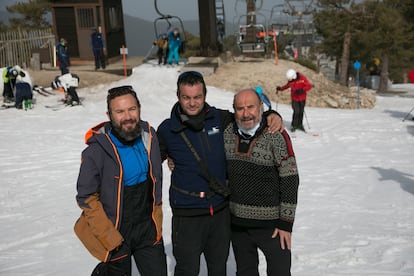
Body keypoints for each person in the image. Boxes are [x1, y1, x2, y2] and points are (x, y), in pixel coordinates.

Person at [157, 71, 283, 276]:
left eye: (197, 97)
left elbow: (247, 117)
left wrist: (271, 115)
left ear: (205, 95)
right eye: (186, 97)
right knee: (187, 270)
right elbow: (148, 163)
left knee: (218, 269)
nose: (192, 103)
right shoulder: (167, 130)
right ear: (178, 96)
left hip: (220, 212)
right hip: (187, 216)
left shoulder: (220, 118)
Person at [74, 85, 167, 276]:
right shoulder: (96, 151)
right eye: (120, 111)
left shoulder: (149, 136)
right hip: (115, 231)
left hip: (148, 228)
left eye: (132, 109)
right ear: (109, 114)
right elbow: (86, 197)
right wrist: (109, 237)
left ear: (139, 109)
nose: (127, 117)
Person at [224, 88, 300, 276]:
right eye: (240, 108)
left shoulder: (276, 134)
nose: (246, 113)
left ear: (261, 108)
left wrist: (285, 224)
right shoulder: (227, 132)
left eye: (251, 107)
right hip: (238, 225)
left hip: (272, 227)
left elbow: (290, 179)